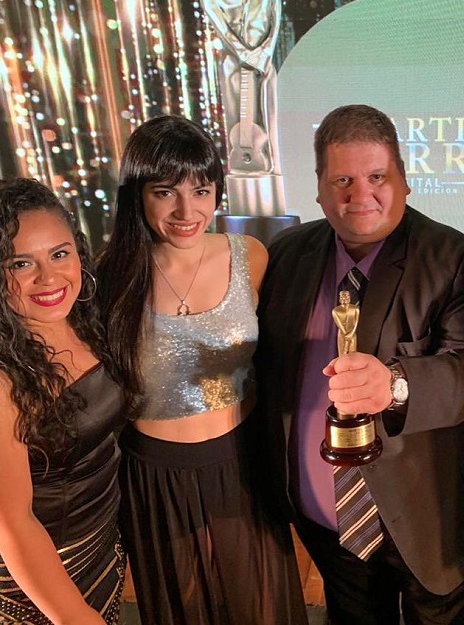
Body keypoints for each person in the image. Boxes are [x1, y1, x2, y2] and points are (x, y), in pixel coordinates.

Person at [255, 103, 464, 625]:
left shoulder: (458, 260)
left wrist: (396, 385)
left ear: (405, 180)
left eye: (377, 177)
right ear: (318, 189)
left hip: (431, 526)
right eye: (343, 180)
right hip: (326, 524)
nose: (361, 195)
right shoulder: (285, 255)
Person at [96, 115, 307, 624]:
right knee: (183, 609)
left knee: (262, 609)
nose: (186, 211)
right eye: (165, 192)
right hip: (154, 474)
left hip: (243, 463)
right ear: (138, 194)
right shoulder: (110, 274)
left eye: (201, 191)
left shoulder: (250, 256)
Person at [0, 178, 130, 624]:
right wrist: (75, 618)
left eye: (59, 254)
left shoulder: (85, 317)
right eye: (21, 263)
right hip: (38, 581)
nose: (49, 277)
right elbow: (12, 521)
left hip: (101, 546)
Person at [202, 0, 281, 177]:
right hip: (234, 66)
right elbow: (224, 31)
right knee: (237, 125)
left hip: (264, 63)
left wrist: (263, 55)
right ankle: (243, 166)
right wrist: (245, 55)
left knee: (269, 119)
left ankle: (274, 169)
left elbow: (274, 28)